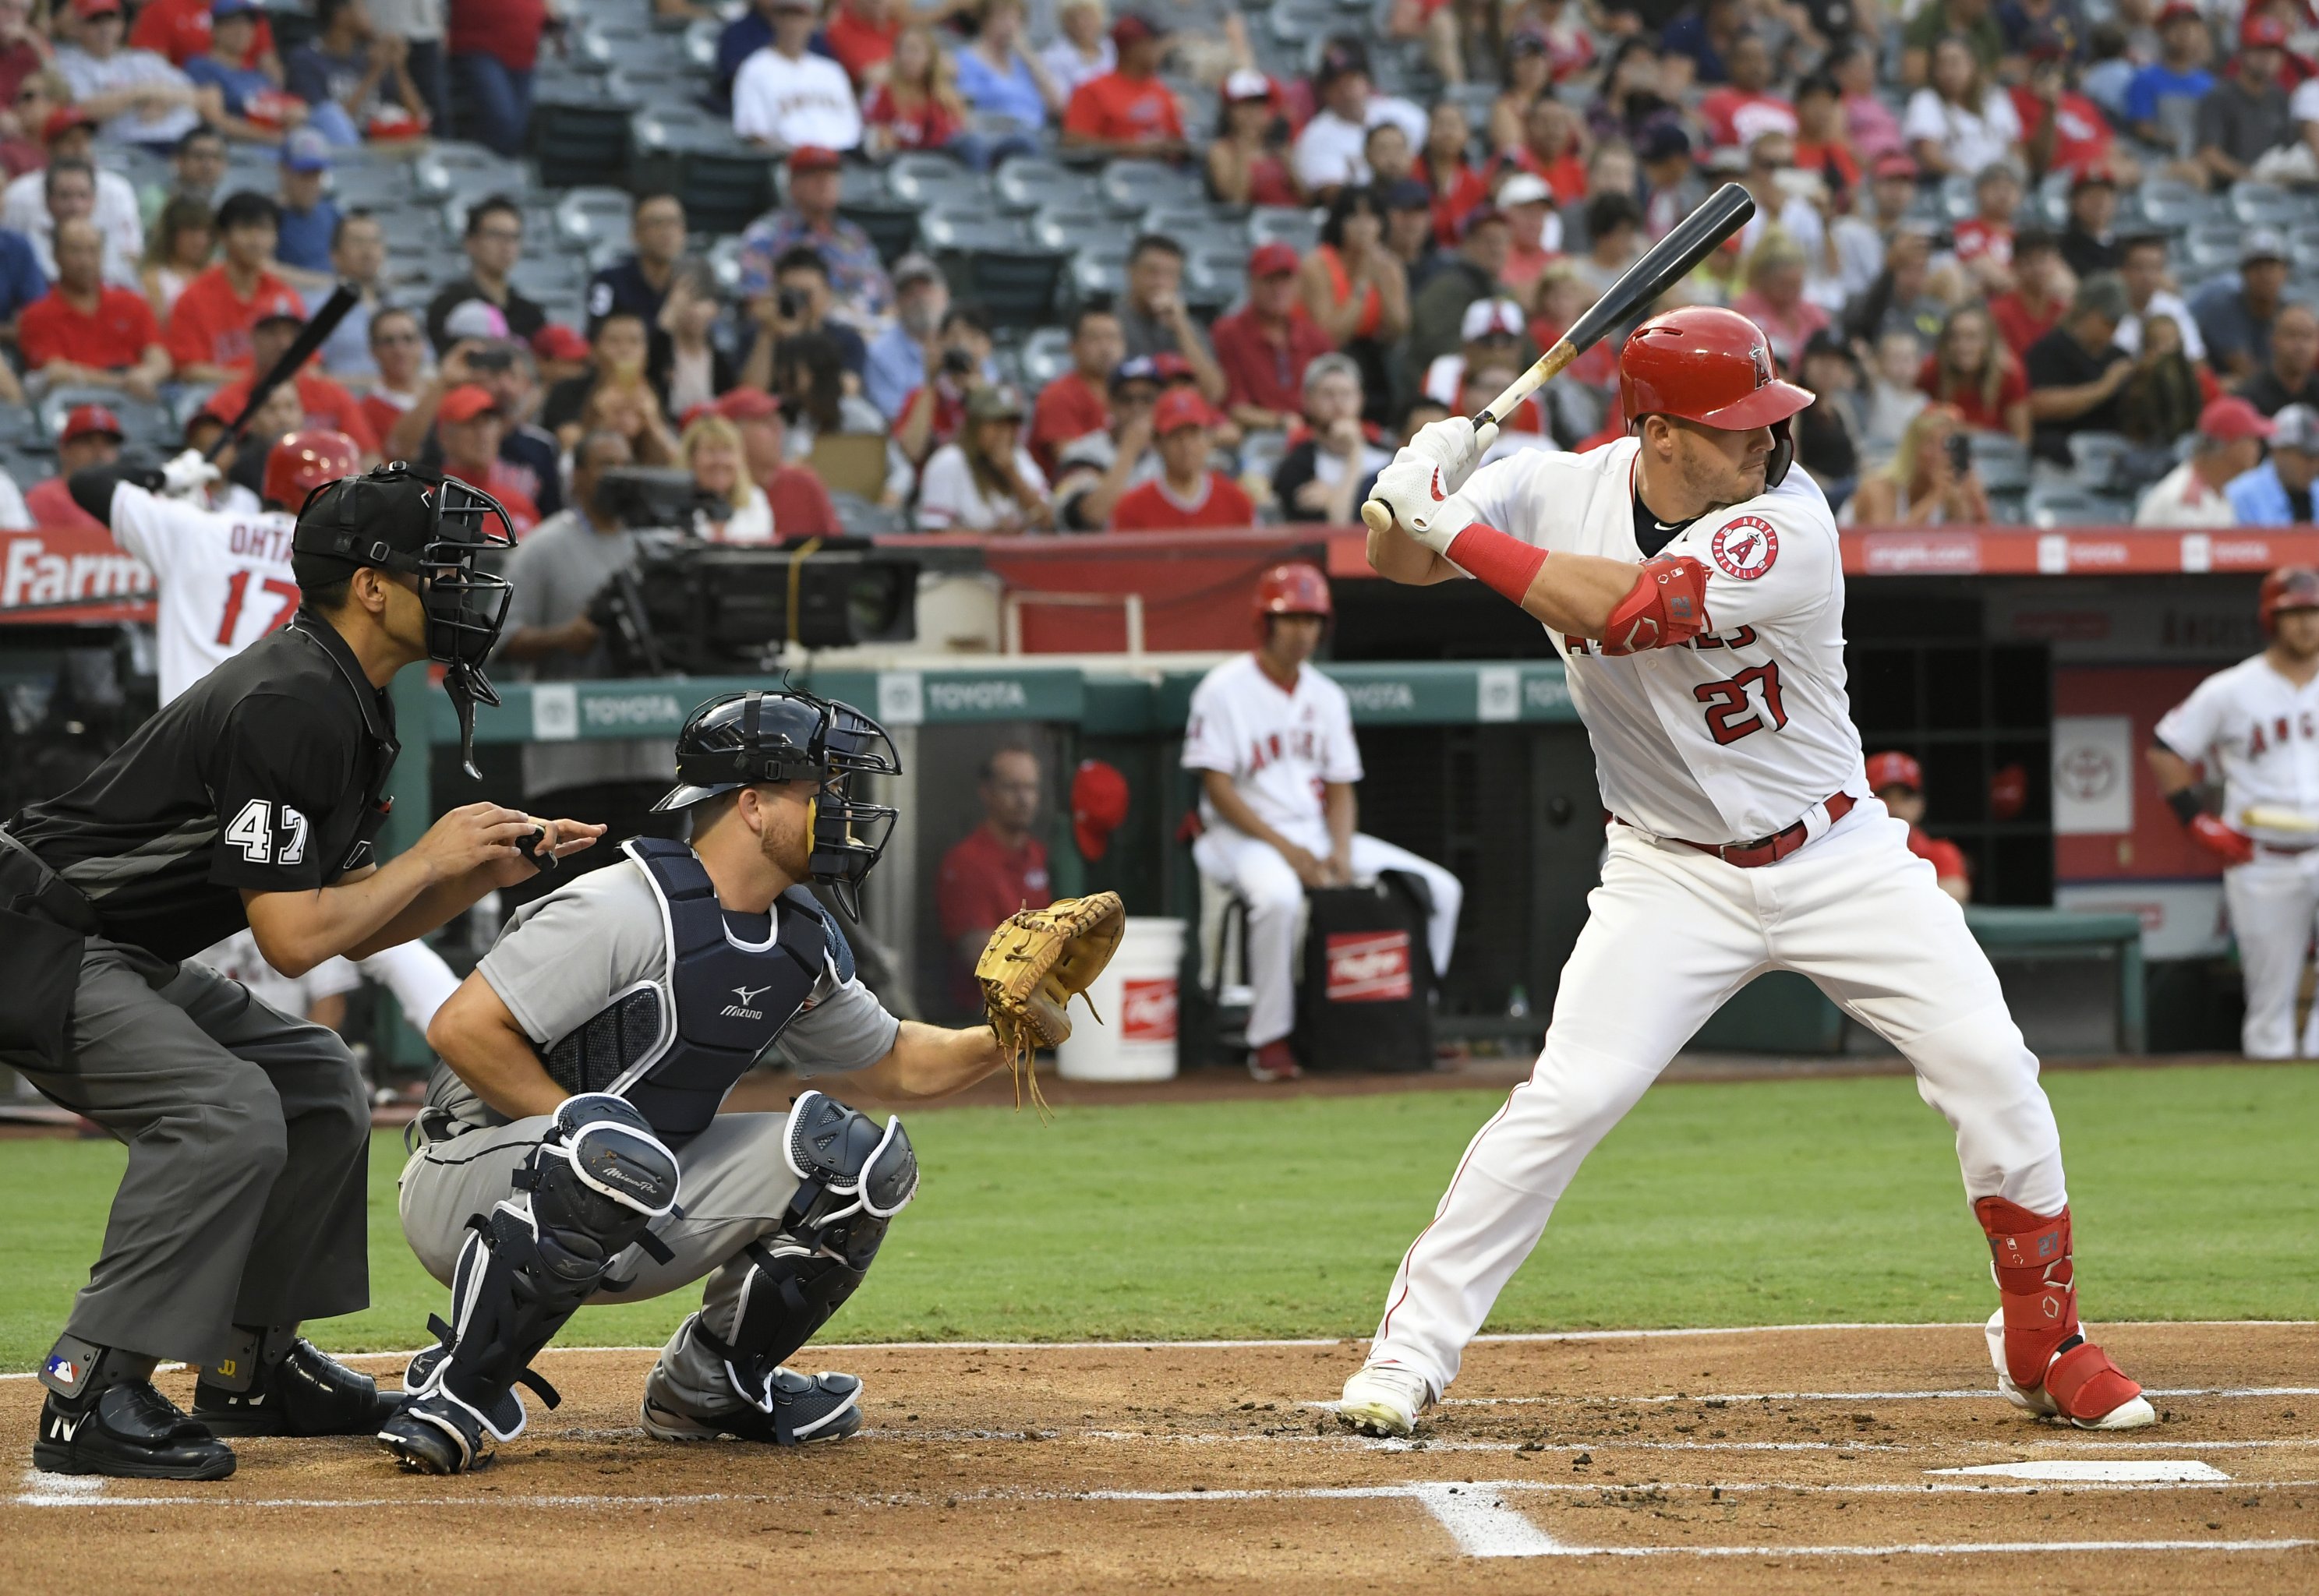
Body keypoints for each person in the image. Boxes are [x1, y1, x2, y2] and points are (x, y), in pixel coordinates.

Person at [1345, 302, 2156, 1439]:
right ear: (1657, 433)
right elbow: (1393, 559)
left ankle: (2043, 1339)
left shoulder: (1788, 524)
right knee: (1565, 1100)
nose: (1763, 443)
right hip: (1666, 874)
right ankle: (1406, 1359)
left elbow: (1628, 611)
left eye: (1768, 420)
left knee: (1991, 1067)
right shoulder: (1550, 486)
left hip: (1836, 854)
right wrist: (1416, 479)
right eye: (1732, 427)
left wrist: (1451, 526)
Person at [0, 454, 589, 1479]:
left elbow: (349, 928)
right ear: (371, 585)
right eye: (439, 568)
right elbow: (290, 941)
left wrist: (467, 872)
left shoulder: (349, 697)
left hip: (104, 946)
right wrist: (427, 858)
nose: (465, 587)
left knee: (316, 1082)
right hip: (36, 936)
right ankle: (90, 1387)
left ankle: (250, 1363)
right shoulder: (293, 698)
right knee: (224, 1112)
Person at [380, 684, 1044, 1471]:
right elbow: (462, 1026)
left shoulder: (799, 939)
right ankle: (457, 1389)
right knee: (612, 1149)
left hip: (633, 1188)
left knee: (856, 1160)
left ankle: (711, 1382)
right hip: (471, 1178)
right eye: (820, 791)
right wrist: (582, 1125)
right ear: (753, 805)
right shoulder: (621, 906)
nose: (839, 809)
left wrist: (1010, 1032)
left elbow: (896, 1061)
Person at [1184, 562, 1461, 1083]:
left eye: (1311, 621)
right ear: (1264, 622)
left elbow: (1340, 789)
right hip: (1237, 836)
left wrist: (1337, 853)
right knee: (1279, 898)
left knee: (1441, 890)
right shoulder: (1222, 689)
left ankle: (1412, 1018)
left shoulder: (1325, 695)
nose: (1302, 632)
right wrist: (1291, 855)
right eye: (1290, 619)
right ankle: (1268, 1039)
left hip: (1313, 833)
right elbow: (1217, 790)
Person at [2151, 569, 2319, 1058]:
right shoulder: (2233, 687)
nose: (2307, 625)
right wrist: (2196, 821)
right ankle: (2269, 1110)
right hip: (2262, 857)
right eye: (2294, 613)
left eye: (2313, 612)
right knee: (2269, 998)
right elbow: (2166, 748)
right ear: (2272, 618)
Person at [937, 745, 1052, 1012]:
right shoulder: (966, 861)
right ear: (987, 792)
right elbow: (986, 960)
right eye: (1012, 788)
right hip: (986, 1018)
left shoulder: (1040, 855)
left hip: (1044, 1007)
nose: (1023, 799)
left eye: (1031, 788)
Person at [735, 147, 893, 334]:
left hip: (863, 335)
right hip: (799, 337)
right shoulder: (766, 235)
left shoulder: (854, 236)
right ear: (792, 184)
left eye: (831, 174)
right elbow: (756, 305)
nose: (824, 182)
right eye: (814, 175)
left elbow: (887, 302)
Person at [16, 216, 169, 398]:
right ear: (56, 255)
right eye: (75, 251)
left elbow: (160, 359)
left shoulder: (132, 303)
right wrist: (123, 383)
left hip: (137, 405)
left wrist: (146, 375)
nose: (85, 261)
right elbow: (56, 373)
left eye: (93, 251)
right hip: (75, 408)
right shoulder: (37, 315)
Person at [163, 188, 304, 380]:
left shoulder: (286, 297)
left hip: (278, 403)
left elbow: (308, 365)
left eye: (264, 229)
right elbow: (190, 370)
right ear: (223, 236)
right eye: (245, 229)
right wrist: (257, 384)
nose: (255, 240)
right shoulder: (193, 298)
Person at [2, 108, 143, 276]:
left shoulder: (117, 189)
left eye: (85, 139)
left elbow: (131, 253)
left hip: (106, 283)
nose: (79, 148)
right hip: (37, 288)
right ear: (49, 146)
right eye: (70, 140)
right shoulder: (20, 192)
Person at [1213, 241, 1334, 434]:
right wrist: (1281, 421)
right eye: (1270, 280)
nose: (1279, 289)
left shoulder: (1314, 337)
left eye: (1286, 280)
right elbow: (1234, 406)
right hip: (1253, 436)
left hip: (1311, 434)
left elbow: (1332, 396)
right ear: (1251, 282)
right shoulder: (1228, 333)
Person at [55, 0, 208, 150]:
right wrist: (144, 93)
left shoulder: (144, 58)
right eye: (95, 21)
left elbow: (196, 95)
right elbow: (84, 109)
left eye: (110, 20)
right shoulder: (69, 63)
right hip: (130, 149)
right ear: (78, 26)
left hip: (184, 143)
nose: (104, 29)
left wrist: (163, 99)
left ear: (121, 24)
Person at [1292, 37, 1424, 198]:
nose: (1347, 91)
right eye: (1338, 84)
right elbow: (1335, 198)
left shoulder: (1401, 112)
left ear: (1367, 81)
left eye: (1352, 80)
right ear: (1325, 92)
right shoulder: (1315, 137)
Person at [2024, 272, 2133, 464]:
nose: (2114, 328)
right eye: (2109, 321)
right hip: (2060, 460)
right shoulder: (2048, 351)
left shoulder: (2120, 357)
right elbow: (2038, 405)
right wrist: (2104, 387)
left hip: (2112, 457)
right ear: (2087, 312)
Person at [1271, 352, 1388, 524]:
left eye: (1346, 393)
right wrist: (1353, 459)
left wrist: (1332, 498)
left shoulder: (1389, 457)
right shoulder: (1296, 467)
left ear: (1361, 399)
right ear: (1307, 401)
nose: (1338, 402)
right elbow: (1339, 532)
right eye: (1327, 394)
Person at [1108, 388, 1251, 529]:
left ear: (1208, 438)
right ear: (1158, 443)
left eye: (1194, 434)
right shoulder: (1132, 507)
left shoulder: (1236, 500)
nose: (1186, 445)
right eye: (1176, 436)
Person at [916, 382, 1049, 532]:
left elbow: (1048, 521)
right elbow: (935, 534)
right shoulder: (949, 461)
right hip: (969, 556)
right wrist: (992, 535)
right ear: (975, 425)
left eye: (1011, 424)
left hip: (1020, 555)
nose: (1005, 433)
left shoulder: (1019, 457)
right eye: (997, 423)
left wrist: (1011, 473)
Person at [1405, 205, 1511, 389]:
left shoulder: (1502, 292)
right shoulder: (1447, 286)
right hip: (1442, 384)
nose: (1497, 249)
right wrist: (1488, 354)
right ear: (1467, 244)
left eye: (1502, 241)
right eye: (1489, 241)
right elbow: (1432, 345)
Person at [286, 0, 427, 139]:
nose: (370, 14)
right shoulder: (306, 60)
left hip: (381, 149)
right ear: (341, 14)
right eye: (362, 6)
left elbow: (420, 117)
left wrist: (398, 67)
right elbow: (329, 124)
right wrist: (373, 74)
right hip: (339, 152)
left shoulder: (368, 57)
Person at [713, 386, 841, 537]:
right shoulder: (715, 492)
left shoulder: (804, 484)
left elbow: (838, 551)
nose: (778, 428)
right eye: (764, 422)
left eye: (778, 420)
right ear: (732, 434)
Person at [422, 195, 544, 353]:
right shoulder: (449, 305)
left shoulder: (529, 313)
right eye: (495, 235)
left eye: (514, 237)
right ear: (470, 242)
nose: (506, 245)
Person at [1117, 233, 1225, 403]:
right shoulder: (1110, 321)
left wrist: (1181, 328)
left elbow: (1214, 393)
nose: (1160, 282)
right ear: (1130, 272)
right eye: (1152, 272)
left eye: (1170, 274)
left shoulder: (1187, 326)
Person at [1844, 402, 1991, 526]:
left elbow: (1970, 548)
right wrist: (1934, 497)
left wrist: (1969, 501)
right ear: (1913, 448)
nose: (1946, 455)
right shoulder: (1878, 489)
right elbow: (1883, 549)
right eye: (1934, 444)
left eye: (1951, 446)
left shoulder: (1949, 490)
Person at [1059, 12, 1184, 158]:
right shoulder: (1092, 89)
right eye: (1153, 43)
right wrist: (1133, 148)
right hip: (1110, 174)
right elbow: (1073, 143)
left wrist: (1167, 147)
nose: (1159, 51)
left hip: (1162, 174)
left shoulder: (1161, 90)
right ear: (1132, 48)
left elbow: (1178, 141)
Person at [2136, 396, 2273, 527]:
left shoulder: (2221, 488)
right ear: (2229, 445)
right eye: (2252, 439)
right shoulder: (2184, 497)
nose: (2258, 448)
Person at [1904, 34, 2022, 178]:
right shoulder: (1926, 100)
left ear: (1973, 64)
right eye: (1940, 64)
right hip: (1954, 187)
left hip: (2002, 184)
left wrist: (2015, 178)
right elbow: (1930, 157)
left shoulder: (1996, 97)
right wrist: (1975, 181)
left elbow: (2016, 149)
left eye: (1954, 63)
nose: (1947, 72)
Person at [433, 381, 539, 534]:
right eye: (471, 424)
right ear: (444, 436)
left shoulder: (519, 504)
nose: (483, 435)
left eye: (488, 423)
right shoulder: (427, 503)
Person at [445, 0, 548, 157]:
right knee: (501, 119)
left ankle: (500, 174)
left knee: (518, 128)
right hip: (478, 46)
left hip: (524, 53)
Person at [586, 191, 684, 355]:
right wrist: (667, 319)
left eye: (674, 223)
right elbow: (596, 337)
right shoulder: (607, 282)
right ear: (636, 234)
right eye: (657, 223)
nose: (667, 232)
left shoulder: (688, 284)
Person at [1865, 750, 1969, 902]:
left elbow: (1953, 896)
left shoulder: (1939, 853)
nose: (1896, 808)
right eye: (1885, 796)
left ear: (1920, 804)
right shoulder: (1850, 851)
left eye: (1905, 798)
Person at [1030, 302, 1120, 475]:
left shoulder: (1131, 395)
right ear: (1073, 347)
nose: (1106, 348)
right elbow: (1072, 464)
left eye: (1112, 338)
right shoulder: (1057, 396)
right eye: (1095, 339)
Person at [1919, 305, 2030, 442]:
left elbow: (2022, 439)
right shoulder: (1933, 369)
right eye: (1954, 337)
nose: (1963, 346)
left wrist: (1967, 431)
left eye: (1972, 337)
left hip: (1995, 455)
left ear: (1988, 341)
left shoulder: (2009, 374)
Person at [956, 0, 1065, 136]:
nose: (1010, 25)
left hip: (1038, 135)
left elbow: (1058, 106)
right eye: (1002, 18)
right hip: (999, 137)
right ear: (984, 21)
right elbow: (967, 108)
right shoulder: (966, 60)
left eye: (1017, 19)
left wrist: (1028, 55)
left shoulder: (1025, 62)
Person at [2194, 231, 2289, 388]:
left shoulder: (2289, 313)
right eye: (2257, 267)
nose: (2265, 275)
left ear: (2285, 272)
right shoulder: (2224, 308)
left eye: (2271, 266)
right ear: (2243, 273)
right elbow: (2246, 371)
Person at [864, 252, 949, 422]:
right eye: (909, 292)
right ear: (897, 303)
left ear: (945, 293)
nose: (919, 297)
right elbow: (896, 422)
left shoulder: (966, 339)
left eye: (926, 288)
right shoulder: (880, 353)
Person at [2124, 1, 2214, 152]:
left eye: (2192, 26)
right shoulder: (2145, 79)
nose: (2185, 33)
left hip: (2201, 161)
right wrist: (2178, 140)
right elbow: (2143, 130)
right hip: (2158, 162)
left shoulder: (2209, 84)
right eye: (2176, 26)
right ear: (2161, 32)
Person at [25, 403, 125, 531]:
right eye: (87, 442)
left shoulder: (127, 499)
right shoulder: (43, 497)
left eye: (108, 444)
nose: (99, 452)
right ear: (64, 450)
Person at [680, 411, 772, 544]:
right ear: (691, 459)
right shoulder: (672, 504)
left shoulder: (755, 499)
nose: (720, 460)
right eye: (711, 451)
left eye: (727, 450)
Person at [1207, 67, 1293, 208]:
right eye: (1243, 105)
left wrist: (1290, 165)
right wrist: (1242, 152)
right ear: (1228, 111)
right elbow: (1235, 203)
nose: (1252, 112)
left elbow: (1306, 201)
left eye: (1258, 105)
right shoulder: (1221, 151)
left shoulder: (1282, 150)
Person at [2112, 234, 2204, 363]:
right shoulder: (2109, 309)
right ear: (2122, 270)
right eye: (2139, 268)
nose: (2147, 276)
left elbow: (2196, 358)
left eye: (2155, 267)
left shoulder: (2173, 306)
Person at [2228, 402, 2319, 524]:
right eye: (2307, 456)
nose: (2314, 465)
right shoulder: (2242, 495)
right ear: (2278, 451)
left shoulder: (2316, 490)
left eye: (2317, 456)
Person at [1988, 227, 2069, 361]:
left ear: (2056, 262)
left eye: (2043, 260)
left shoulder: (2064, 313)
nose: (2038, 269)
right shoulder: (1998, 313)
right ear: (2015, 266)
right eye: (2029, 262)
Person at [271, 130, 339, 279]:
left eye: (316, 175)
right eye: (303, 175)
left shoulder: (331, 212)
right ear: (283, 171)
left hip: (334, 296)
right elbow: (263, 268)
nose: (311, 184)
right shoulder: (269, 215)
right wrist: (325, 283)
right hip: (290, 297)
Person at [359, 304, 428, 442]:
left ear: (422, 345)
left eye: (408, 339)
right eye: (388, 341)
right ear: (373, 351)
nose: (400, 350)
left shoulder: (444, 394)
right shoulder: (366, 411)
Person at [140, 190, 213, 316]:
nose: (201, 241)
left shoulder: (217, 272)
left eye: (207, 233)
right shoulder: (153, 278)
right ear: (171, 233)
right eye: (192, 231)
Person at [2244, 303, 2319, 416]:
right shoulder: (2249, 399)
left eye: (2308, 336)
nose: (2300, 345)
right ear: (2273, 341)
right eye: (2292, 335)